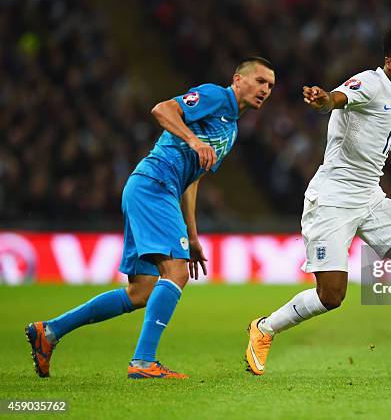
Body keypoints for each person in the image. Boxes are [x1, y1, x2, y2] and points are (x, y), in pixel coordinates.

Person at [245, 26, 391, 382]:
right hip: (333, 197)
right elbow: (336, 99)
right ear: (389, 62)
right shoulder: (369, 82)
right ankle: (264, 328)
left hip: (369, 196)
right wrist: (323, 101)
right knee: (331, 296)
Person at [26, 57, 275, 379]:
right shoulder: (215, 96)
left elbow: (194, 178)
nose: (265, 89)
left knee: (141, 291)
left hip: (158, 190)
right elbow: (162, 109)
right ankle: (143, 362)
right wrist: (194, 140)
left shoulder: (231, 128)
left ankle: (50, 331)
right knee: (176, 273)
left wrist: (193, 235)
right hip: (154, 186)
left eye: (270, 85)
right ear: (238, 80)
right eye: (259, 81)